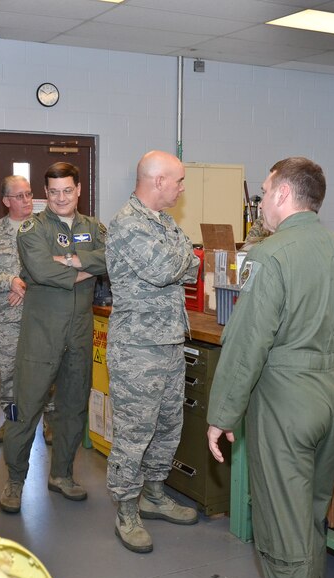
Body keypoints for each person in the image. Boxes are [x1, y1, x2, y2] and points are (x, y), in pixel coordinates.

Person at [207, 157, 334, 578]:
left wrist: (222, 414)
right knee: (311, 520)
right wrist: (333, 371)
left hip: (283, 406)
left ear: (283, 193)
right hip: (330, 399)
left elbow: (248, 341)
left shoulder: (269, 254)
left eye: (265, 191)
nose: (262, 200)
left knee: (284, 538)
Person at [105, 150, 201, 553]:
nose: (181, 189)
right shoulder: (128, 224)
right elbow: (168, 269)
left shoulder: (163, 223)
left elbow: (191, 267)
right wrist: (183, 256)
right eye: (178, 181)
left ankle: (154, 493)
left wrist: (182, 258)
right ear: (158, 181)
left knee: (167, 426)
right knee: (133, 433)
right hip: (136, 348)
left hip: (170, 342)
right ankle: (126, 509)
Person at [0, 162, 106, 514]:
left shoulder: (94, 227)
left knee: (73, 409)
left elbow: (110, 260)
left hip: (79, 333)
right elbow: (41, 270)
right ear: (47, 193)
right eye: (54, 191)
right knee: (26, 409)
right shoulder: (33, 228)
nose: (61, 197)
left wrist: (71, 260)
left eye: (68, 190)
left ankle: (62, 475)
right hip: (41, 334)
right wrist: (82, 266)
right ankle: (15, 480)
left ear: (78, 190)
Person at [0, 175, 56, 445]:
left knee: (45, 372)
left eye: (29, 194)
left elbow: (58, 267)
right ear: (6, 201)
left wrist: (27, 285)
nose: (26, 201)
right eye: (19, 196)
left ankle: (48, 423)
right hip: (7, 319)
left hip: (42, 317)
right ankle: (10, 422)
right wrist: (9, 281)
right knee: (9, 373)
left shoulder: (45, 229)